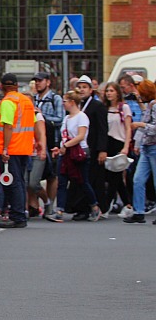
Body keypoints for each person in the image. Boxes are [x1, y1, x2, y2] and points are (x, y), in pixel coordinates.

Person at [46, 91, 100, 222]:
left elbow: (81, 136)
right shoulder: (66, 118)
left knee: (83, 181)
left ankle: (94, 206)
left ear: (72, 102)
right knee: (62, 181)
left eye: (65, 101)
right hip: (66, 153)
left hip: (79, 152)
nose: (63, 104)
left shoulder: (82, 117)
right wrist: (60, 147)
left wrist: (66, 145)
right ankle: (59, 210)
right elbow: (63, 136)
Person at [0, 73, 35, 229]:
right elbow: (33, 123)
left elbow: (8, 126)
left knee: (13, 183)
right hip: (24, 147)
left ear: (2, 87)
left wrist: (5, 148)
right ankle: (19, 213)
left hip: (12, 149)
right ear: (16, 86)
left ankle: (17, 216)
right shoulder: (26, 101)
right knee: (20, 182)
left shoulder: (8, 102)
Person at [69, 75, 108, 220]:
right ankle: (80, 208)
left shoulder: (97, 106)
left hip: (93, 148)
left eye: (85, 87)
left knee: (92, 179)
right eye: (79, 87)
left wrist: (102, 149)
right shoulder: (76, 106)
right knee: (78, 179)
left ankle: (94, 207)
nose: (81, 90)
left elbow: (103, 129)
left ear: (91, 90)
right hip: (77, 149)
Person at [32, 71, 64, 216]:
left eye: (40, 81)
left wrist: (42, 116)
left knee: (51, 175)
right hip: (37, 142)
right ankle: (36, 204)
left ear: (48, 82)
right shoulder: (34, 99)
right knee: (35, 177)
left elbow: (60, 119)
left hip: (52, 141)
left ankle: (50, 205)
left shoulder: (55, 98)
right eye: (36, 81)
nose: (38, 83)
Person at [125, 80, 156, 223]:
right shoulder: (150, 105)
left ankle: (139, 211)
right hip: (147, 147)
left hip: (153, 147)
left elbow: (153, 127)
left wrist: (140, 125)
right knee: (138, 180)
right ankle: (139, 211)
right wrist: (138, 143)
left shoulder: (154, 105)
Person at [103, 82, 133, 214]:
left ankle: (106, 205)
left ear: (117, 93)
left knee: (115, 175)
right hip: (108, 142)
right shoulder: (105, 108)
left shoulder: (124, 108)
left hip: (119, 142)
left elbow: (128, 128)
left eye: (111, 91)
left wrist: (126, 146)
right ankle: (128, 203)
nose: (109, 93)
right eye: (107, 91)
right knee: (114, 176)